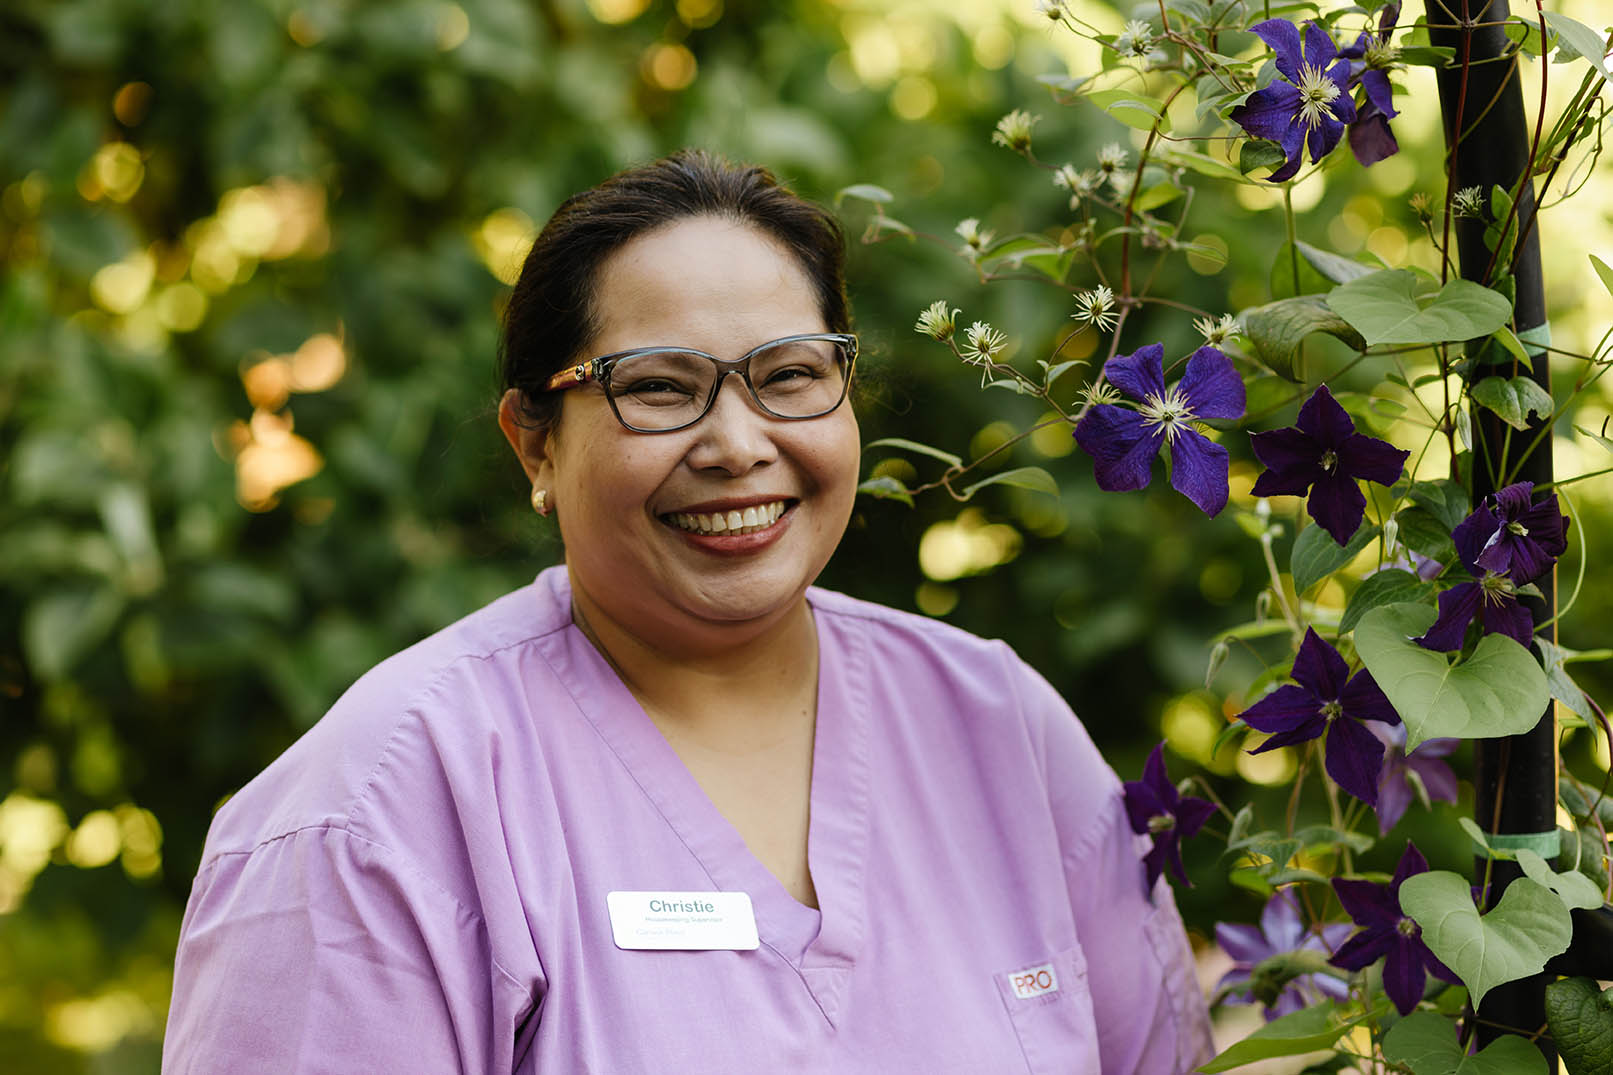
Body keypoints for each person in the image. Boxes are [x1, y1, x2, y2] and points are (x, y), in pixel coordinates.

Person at [164, 150, 1213, 1074]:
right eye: (659, 387)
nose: (736, 444)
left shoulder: (1001, 733)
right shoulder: (378, 809)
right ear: (535, 443)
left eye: (790, 375)